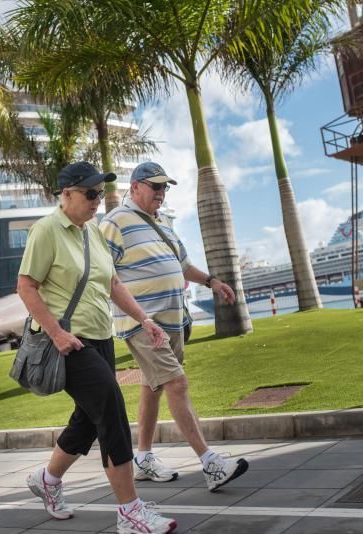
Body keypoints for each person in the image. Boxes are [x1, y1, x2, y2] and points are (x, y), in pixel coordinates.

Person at [18, 161, 177, 534]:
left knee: (89, 418)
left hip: (100, 336)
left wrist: (144, 319)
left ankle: (48, 479)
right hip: (68, 342)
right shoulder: (46, 231)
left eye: (99, 193)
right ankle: (130, 512)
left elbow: (114, 283)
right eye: (90, 193)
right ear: (67, 194)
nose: (96, 200)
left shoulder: (92, 232)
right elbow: (26, 286)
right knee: (111, 409)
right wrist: (57, 334)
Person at [99, 161, 249, 491]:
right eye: (155, 187)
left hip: (172, 321)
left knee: (152, 387)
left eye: (165, 187)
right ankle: (210, 464)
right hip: (142, 323)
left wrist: (211, 281)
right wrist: (138, 316)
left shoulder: (163, 222)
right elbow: (104, 275)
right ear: (135, 186)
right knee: (176, 384)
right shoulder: (114, 223)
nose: (161, 193)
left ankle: (143, 458)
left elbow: (182, 266)